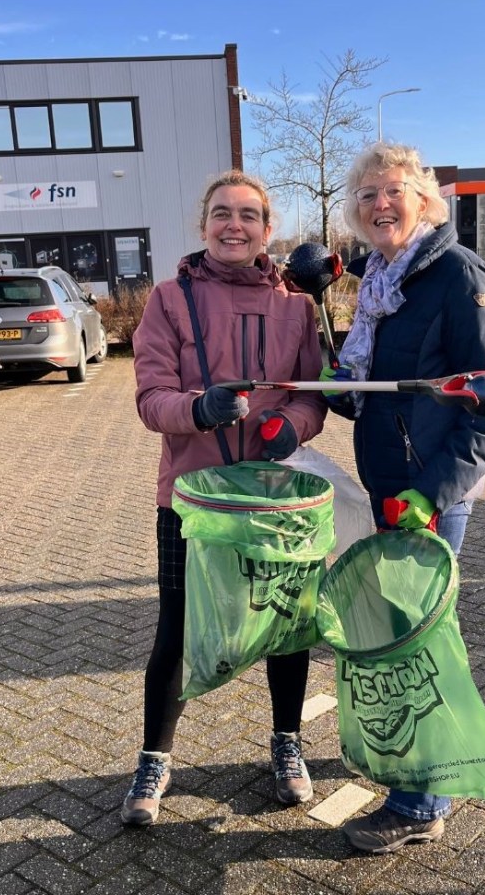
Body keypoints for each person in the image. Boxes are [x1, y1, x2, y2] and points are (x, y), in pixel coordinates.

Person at [323, 141, 485, 854]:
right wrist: (337, 388)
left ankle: (419, 803)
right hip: (387, 485)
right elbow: (381, 392)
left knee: (418, 641)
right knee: (401, 630)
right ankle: (417, 776)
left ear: (425, 200)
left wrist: (432, 494)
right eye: (367, 194)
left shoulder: (457, 274)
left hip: (428, 494)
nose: (380, 204)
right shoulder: (380, 281)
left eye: (393, 190)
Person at [122, 169, 327, 827]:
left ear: (267, 230)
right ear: (203, 224)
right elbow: (151, 399)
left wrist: (291, 426)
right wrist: (198, 409)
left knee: (287, 627)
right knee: (178, 630)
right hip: (192, 501)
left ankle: (287, 744)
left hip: (276, 499)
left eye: (247, 215)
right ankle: (154, 758)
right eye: (221, 213)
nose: (233, 225)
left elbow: (312, 395)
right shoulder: (168, 300)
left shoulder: (298, 306)